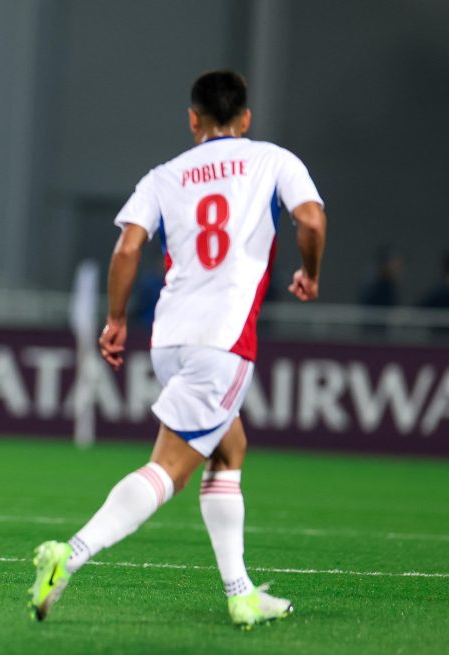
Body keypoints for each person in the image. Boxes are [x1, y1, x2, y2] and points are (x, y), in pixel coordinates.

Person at [29, 70, 327, 628]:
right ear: (246, 118)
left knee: (229, 448)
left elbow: (127, 247)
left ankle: (240, 594)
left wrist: (116, 318)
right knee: (169, 469)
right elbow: (310, 219)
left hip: (169, 338)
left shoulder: (164, 176)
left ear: (193, 119)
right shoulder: (273, 159)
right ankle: (68, 557)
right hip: (224, 339)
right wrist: (309, 274)